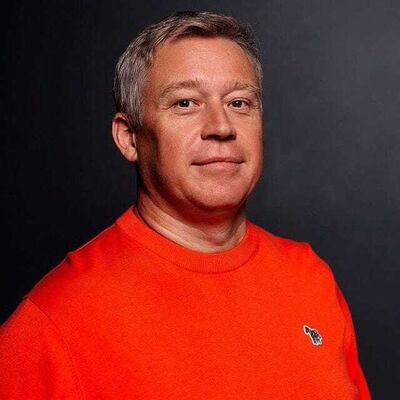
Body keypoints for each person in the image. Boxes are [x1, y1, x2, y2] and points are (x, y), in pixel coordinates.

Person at [0, 11, 370, 399]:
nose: (221, 126)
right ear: (129, 137)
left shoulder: (310, 279)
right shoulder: (55, 321)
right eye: (185, 103)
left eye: (239, 102)